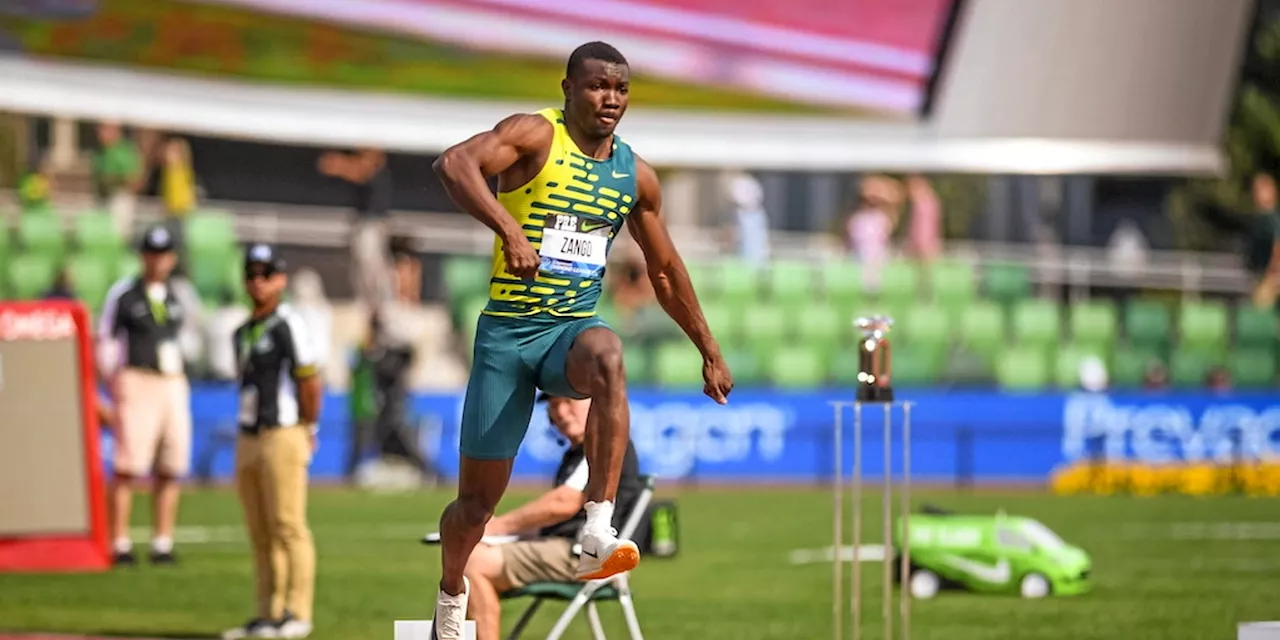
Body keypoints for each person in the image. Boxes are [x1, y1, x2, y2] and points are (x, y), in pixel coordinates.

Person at [428, 41, 733, 639]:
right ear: (568, 88)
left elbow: (666, 270)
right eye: (597, 86)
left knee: (609, 354)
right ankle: (450, 591)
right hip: (507, 339)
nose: (610, 99)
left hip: (566, 333)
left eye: (620, 89)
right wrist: (509, 229)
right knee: (474, 510)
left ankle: (597, 525)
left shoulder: (633, 175)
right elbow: (454, 165)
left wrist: (709, 350)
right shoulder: (534, 136)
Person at [463, 393, 641, 640]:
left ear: (592, 403)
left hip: (586, 556)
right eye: (554, 406)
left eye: (567, 402)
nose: (560, 412)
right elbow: (562, 517)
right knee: (464, 555)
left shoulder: (603, 444)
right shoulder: (579, 452)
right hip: (574, 550)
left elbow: (563, 503)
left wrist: (497, 527)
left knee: (472, 563)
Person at [222, 244, 322, 640]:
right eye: (251, 274)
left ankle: (297, 612)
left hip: (283, 433)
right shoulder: (243, 331)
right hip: (249, 433)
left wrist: (307, 426)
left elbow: (309, 380)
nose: (257, 281)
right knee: (260, 529)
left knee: (288, 525)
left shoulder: (288, 323)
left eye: (266, 274)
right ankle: (267, 611)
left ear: (280, 280)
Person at [96, 225, 192, 566]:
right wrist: (111, 386)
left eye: (164, 254)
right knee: (128, 465)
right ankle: (119, 541)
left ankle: (162, 541)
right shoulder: (124, 294)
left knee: (171, 463)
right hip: (136, 378)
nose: (158, 261)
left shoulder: (177, 295)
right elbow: (105, 339)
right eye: (152, 253)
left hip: (172, 379)